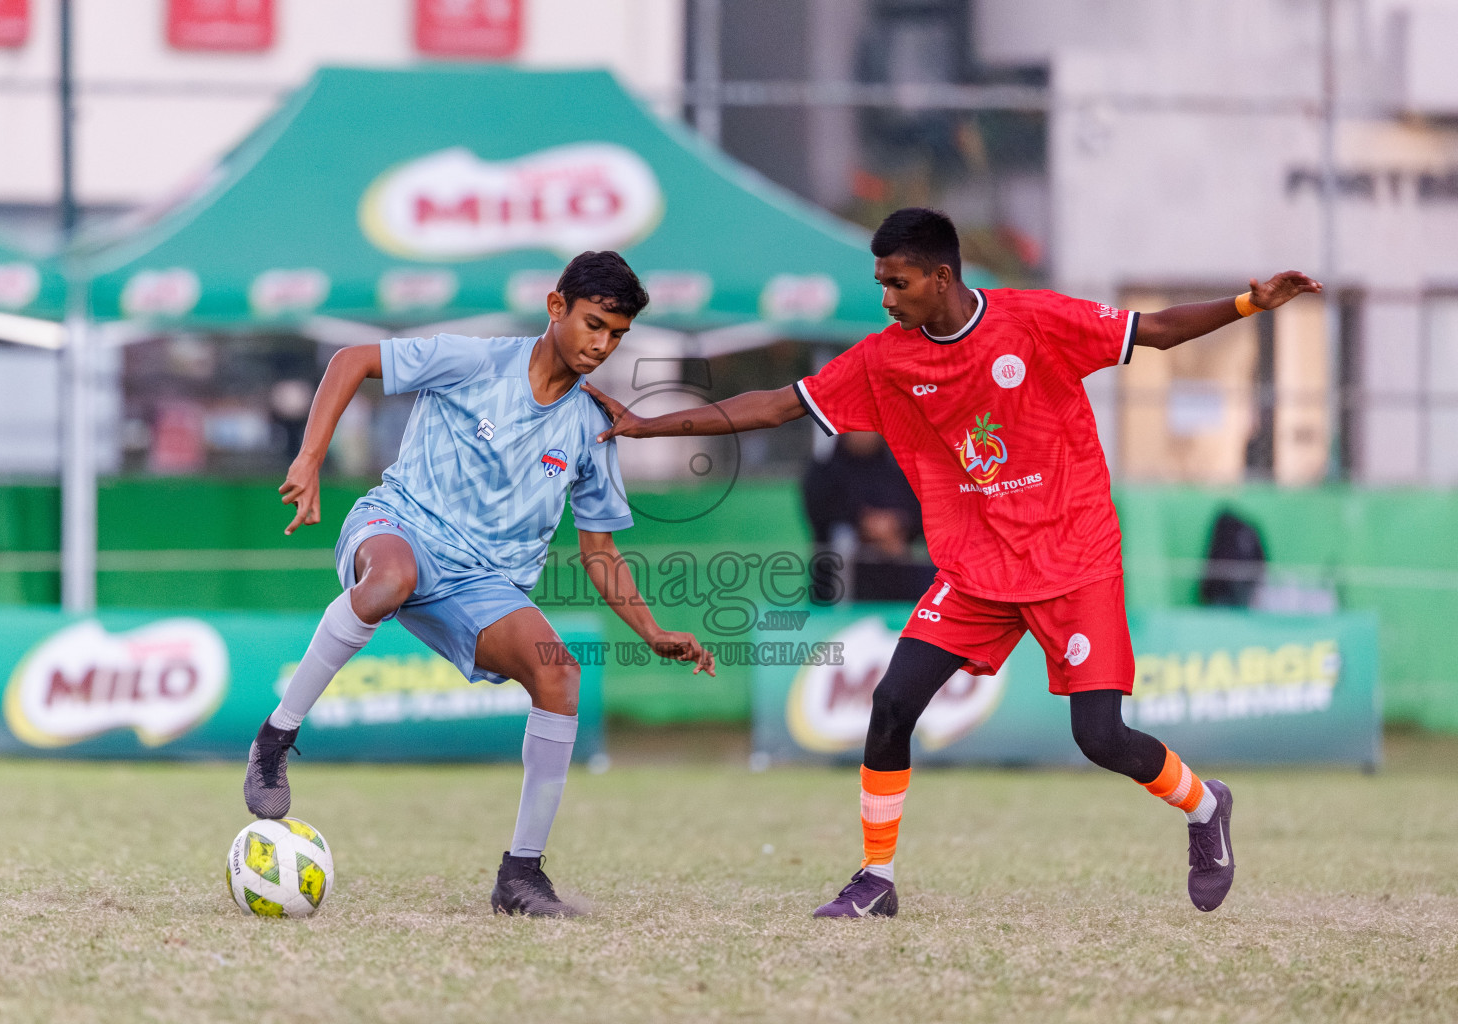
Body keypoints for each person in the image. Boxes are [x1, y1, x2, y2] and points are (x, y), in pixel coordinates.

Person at [587, 208, 1321, 917]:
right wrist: (648, 426)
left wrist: (1250, 302)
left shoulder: (1032, 320)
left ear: (941, 277)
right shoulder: (885, 357)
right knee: (891, 705)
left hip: (1074, 557)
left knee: (1100, 737)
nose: (885, 297)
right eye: (880, 281)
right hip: (976, 573)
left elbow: (1154, 332)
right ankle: (876, 878)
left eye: (897, 282)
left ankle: (1203, 805)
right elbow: (778, 405)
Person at [245, 250, 714, 918]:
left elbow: (600, 550)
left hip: (485, 585)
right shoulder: (475, 360)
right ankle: (275, 739)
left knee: (560, 675)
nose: (602, 344)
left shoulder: (595, 426)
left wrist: (652, 630)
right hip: (398, 524)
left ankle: (520, 876)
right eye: (593, 324)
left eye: (617, 335)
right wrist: (310, 458)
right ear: (556, 307)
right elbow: (351, 359)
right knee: (390, 581)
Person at [801, 430, 934, 603]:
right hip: (837, 583)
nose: (863, 433)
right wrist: (865, 524)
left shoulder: (898, 468)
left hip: (897, 579)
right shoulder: (825, 468)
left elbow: (919, 511)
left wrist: (897, 526)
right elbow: (821, 510)